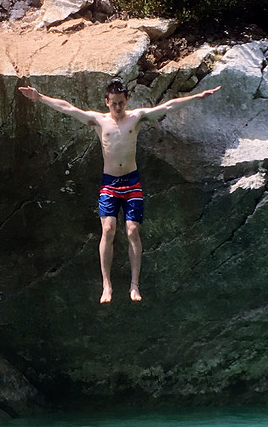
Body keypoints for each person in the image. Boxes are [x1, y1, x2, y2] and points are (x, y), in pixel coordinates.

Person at [18, 76, 221, 303]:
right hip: (110, 184)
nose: (117, 107)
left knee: (133, 230)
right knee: (108, 229)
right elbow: (68, 108)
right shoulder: (99, 121)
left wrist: (197, 97)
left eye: (121, 103)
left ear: (127, 99)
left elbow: (168, 106)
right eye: (113, 103)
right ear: (106, 102)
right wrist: (39, 97)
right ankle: (107, 285)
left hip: (132, 182)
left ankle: (134, 285)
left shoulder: (136, 118)